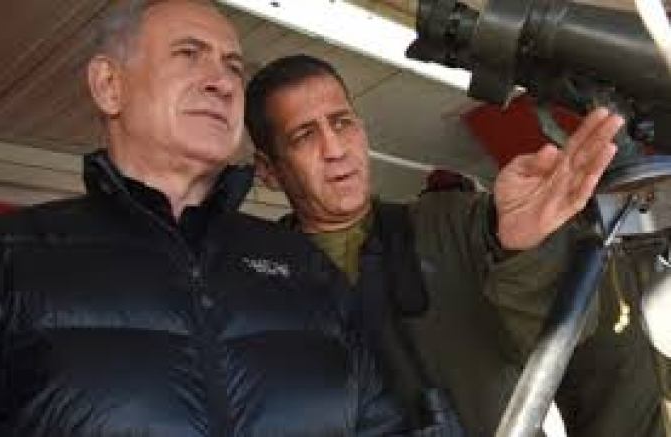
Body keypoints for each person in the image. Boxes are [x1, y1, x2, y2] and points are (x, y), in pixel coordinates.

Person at [0, 2, 412, 435]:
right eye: (188, 54)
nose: (224, 83)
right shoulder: (10, 257)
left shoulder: (306, 267)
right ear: (109, 85)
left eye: (233, 67)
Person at [245, 54, 666, 436]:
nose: (335, 149)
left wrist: (526, 250)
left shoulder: (456, 224)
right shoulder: (255, 282)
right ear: (267, 170)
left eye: (342, 123)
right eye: (304, 136)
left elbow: (567, 339)